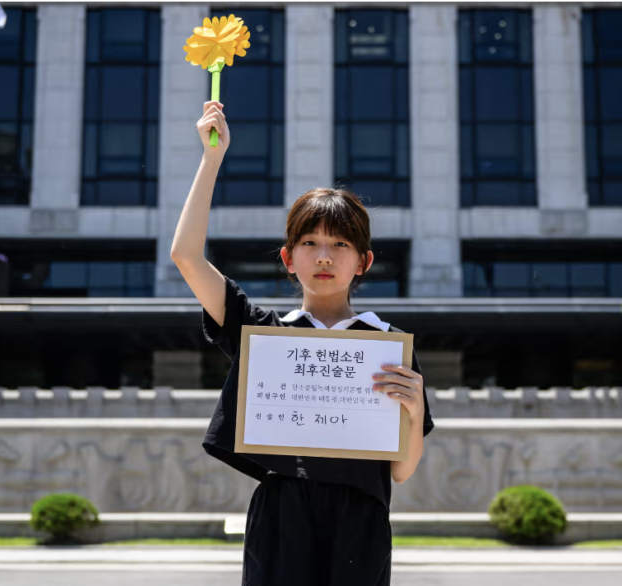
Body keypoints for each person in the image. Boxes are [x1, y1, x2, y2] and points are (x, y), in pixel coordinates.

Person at [170, 100, 435, 586]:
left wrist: (415, 413)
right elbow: (186, 256)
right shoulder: (264, 335)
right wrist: (212, 159)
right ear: (289, 258)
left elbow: (400, 471)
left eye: (340, 245)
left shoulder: (388, 347)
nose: (325, 256)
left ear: (364, 261)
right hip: (281, 517)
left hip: (361, 520)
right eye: (310, 243)